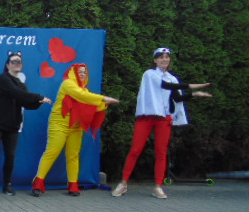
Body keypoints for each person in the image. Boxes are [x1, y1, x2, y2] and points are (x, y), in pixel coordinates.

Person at [112, 47, 211, 199]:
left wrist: (194, 95)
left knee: (161, 152)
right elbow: (166, 86)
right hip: (146, 117)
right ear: (155, 60)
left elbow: (177, 98)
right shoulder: (149, 74)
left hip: (163, 119)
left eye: (167, 57)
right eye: (161, 57)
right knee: (135, 150)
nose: (164, 59)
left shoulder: (172, 78)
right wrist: (192, 85)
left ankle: (158, 187)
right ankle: (123, 183)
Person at [0, 51, 52, 196]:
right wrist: (39, 96)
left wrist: (39, 102)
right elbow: (15, 93)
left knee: (10, 156)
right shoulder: (3, 79)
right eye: (13, 61)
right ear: (8, 65)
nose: (17, 64)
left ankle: (7, 185)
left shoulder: (21, 85)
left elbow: (27, 103)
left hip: (13, 125)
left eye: (19, 62)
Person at [32, 63, 120, 197]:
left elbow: (91, 107)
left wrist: (105, 104)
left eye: (85, 72)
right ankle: (38, 182)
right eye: (80, 72)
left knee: (73, 155)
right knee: (52, 152)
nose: (83, 74)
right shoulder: (68, 84)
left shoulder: (85, 91)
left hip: (76, 126)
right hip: (59, 124)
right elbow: (81, 96)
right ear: (73, 73)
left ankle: (73, 185)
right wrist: (103, 98)